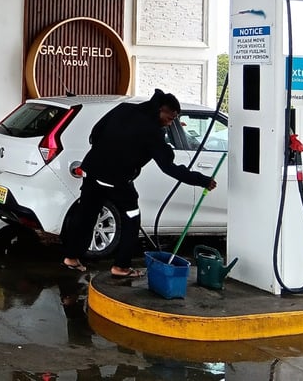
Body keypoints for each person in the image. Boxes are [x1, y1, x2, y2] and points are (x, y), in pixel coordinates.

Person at [61, 89, 217, 278]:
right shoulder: (153, 132)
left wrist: (104, 151)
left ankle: (71, 257)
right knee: (132, 220)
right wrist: (202, 180)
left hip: (92, 172)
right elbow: (168, 167)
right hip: (119, 182)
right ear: (161, 109)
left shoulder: (124, 109)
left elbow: (95, 133)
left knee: (85, 216)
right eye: (171, 117)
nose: (171, 122)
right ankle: (121, 267)